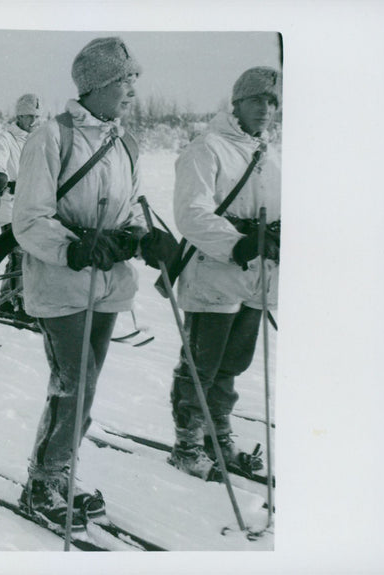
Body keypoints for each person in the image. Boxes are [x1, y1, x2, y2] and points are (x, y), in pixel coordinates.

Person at [11, 37, 177, 529]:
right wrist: (75, 248)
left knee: (86, 384)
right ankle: (42, 482)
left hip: (107, 285)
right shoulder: (52, 137)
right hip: (63, 282)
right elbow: (29, 219)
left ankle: (59, 472)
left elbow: (132, 207)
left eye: (134, 80)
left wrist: (146, 240)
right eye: (125, 79)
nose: (132, 89)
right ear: (97, 84)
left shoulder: (125, 140)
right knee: (74, 384)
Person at [167, 66, 282, 480]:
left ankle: (219, 437)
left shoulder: (269, 154)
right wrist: (239, 243)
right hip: (214, 272)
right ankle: (188, 443)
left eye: (272, 102)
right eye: (256, 100)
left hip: (255, 279)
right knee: (202, 363)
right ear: (236, 104)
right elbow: (191, 213)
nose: (265, 109)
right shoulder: (208, 148)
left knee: (233, 364)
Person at [0, 93, 42, 323]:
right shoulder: (5, 139)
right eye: (29, 116)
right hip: (10, 204)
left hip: (33, 205)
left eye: (36, 116)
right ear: (19, 115)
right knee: (21, 254)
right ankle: (22, 307)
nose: (33, 120)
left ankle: (7, 303)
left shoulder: (38, 139)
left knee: (21, 255)